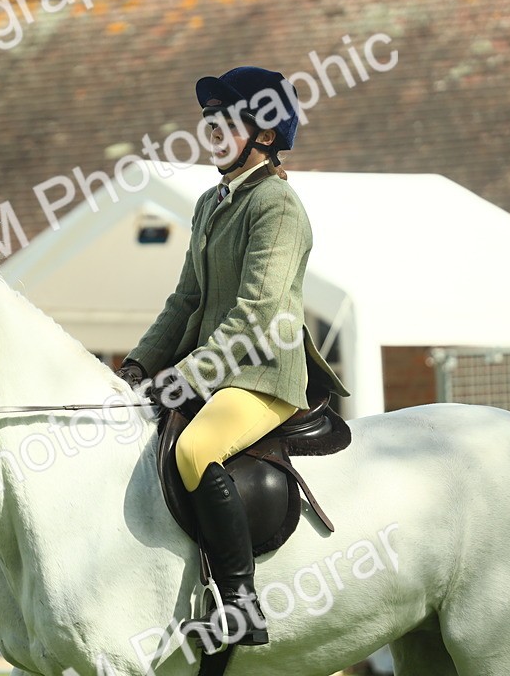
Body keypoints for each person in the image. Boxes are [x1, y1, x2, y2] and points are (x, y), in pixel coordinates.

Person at [116, 66, 348, 649]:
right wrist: (139, 366)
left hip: (264, 373)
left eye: (226, 121)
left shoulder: (278, 208)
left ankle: (241, 605)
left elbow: (256, 316)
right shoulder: (207, 203)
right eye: (207, 121)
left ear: (264, 135)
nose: (211, 130)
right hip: (215, 370)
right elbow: (186, 299)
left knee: (195, 448)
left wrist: (184, 377)